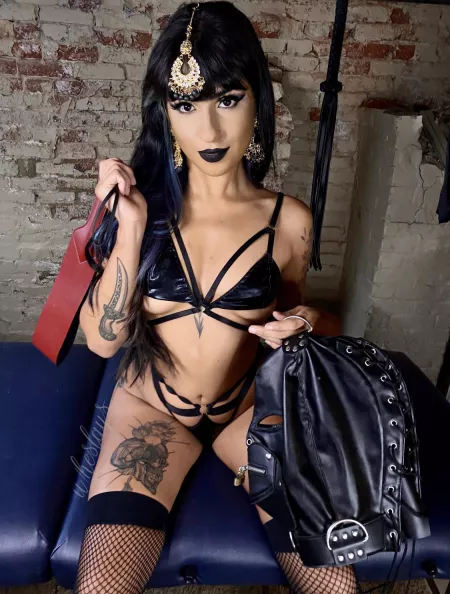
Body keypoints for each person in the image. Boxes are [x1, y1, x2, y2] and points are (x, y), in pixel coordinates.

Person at [75, 2, 357, 592]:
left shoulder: (289, 222)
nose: (208, 131)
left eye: (227, 100)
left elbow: (310, 322)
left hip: (248, 412)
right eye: (185, 105)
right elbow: (101, 344)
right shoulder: (140, 208)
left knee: (335, 585)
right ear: (164, 113)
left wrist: (304, 323)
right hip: (151, 412)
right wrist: (130, 229)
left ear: (258, 102)